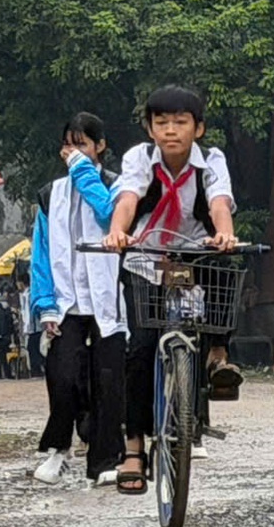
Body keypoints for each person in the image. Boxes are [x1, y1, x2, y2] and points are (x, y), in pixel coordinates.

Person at [106, 86, 238, 494]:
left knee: (226, 268)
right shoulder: (139, 158)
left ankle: (218, 355)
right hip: (146, 256)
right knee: (141, 347)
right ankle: (133, 447)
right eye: (161, 122)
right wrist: (116, 232)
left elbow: (219, 203)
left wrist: (225, 234)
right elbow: (128, 198)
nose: (170, 131)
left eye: (180, 122)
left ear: (198, 128)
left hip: (195, 252)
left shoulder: (212, 161)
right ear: (149, 128)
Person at [33, 112, 129, 484]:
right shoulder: (49, 195)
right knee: (63, 375)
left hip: (108, 301)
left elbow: (107, 215)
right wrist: (45, 305)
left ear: (100, 147)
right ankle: (59, 448)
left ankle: (105, 459)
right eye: (69, 145)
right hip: (66, 301)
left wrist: (82, 171)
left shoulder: (119, 188)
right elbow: (41, 254)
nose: (73, 152)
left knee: (107, 381)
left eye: (82, 144)